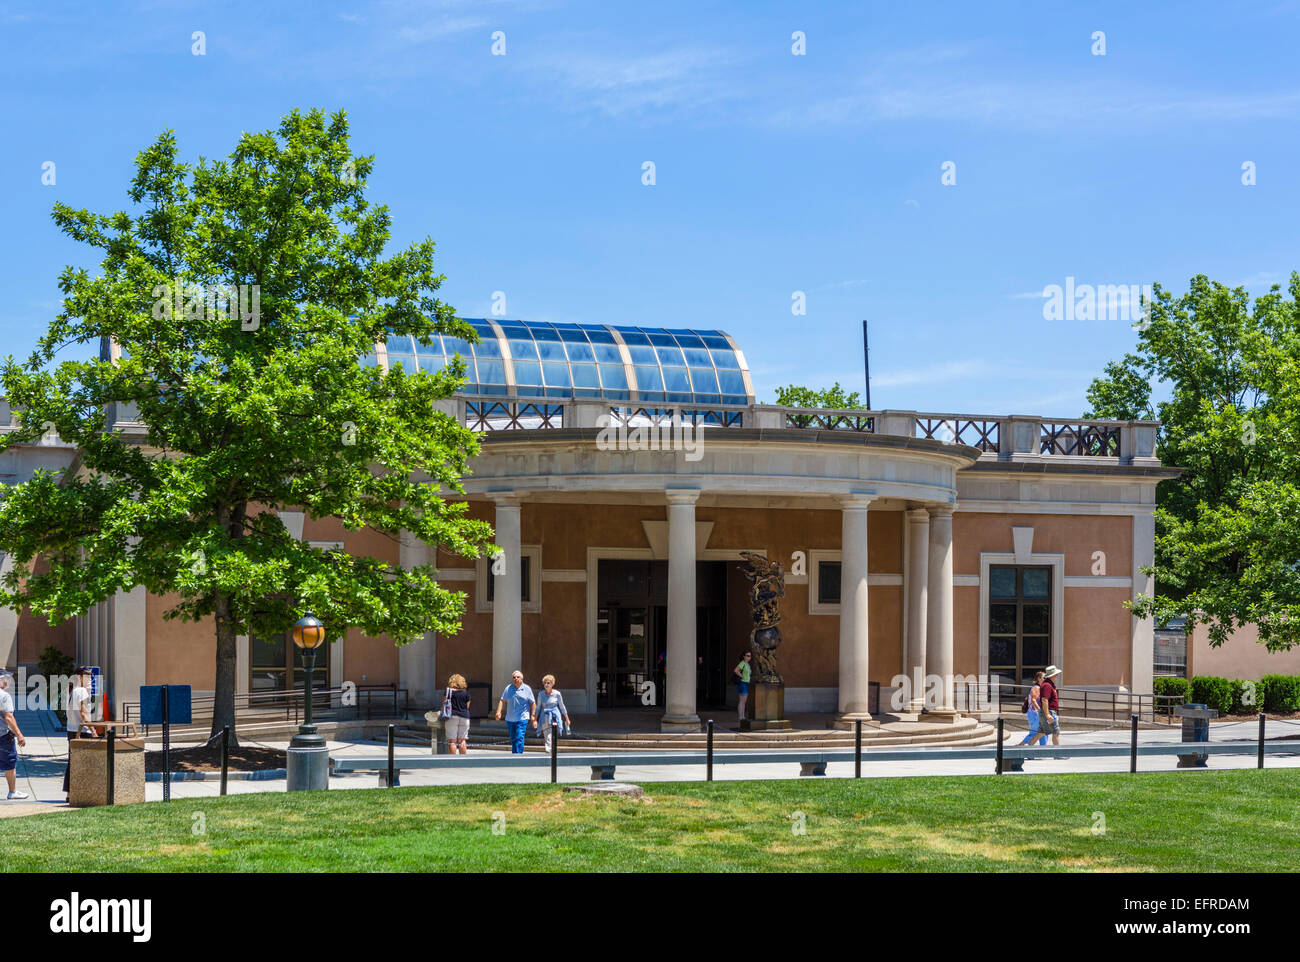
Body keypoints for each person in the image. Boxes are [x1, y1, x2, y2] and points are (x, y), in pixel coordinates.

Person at [63, 667, 95, 796]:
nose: (90, 680)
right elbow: (84, 713)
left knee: (73, 762)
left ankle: (70, 793)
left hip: (71, 731)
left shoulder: (71, 691)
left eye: (90, 677)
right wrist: (94, 731)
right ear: (78, 678)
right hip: (82, 731)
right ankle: (82, 792)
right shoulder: (81, 691)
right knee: (84, 762)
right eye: (86, 677)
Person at [0, 671, 28, 800]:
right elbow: (9, 717)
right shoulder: (4, 696)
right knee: (10, 762)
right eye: (6, 679)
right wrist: (19, 734)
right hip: (3, 736)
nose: (8, 682)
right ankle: (12, 791)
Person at [494, 670, 536, 754]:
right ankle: (515, 756)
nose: (516, 679)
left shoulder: (527, 689)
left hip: (522, 718)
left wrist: (533, 715)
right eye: (514, 677)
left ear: (522, 678)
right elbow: (502, 700)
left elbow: (532, 703)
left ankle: (518, 757)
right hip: (510, 719)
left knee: (519, 737)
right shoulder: (508, 688)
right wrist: (498, 712)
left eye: (518, 677)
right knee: (514, 739)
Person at [536, 675, 571, 754]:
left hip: (555, 715)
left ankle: (549, 749)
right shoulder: (540, 694)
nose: (546, 684)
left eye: (548, 683)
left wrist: (567, 719)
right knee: (546, 733)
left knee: (552, 733)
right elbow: (538, 707)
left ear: (552, 684)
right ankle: (550, 750)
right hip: (544, 715)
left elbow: (562, 706)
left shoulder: (557, 694)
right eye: (545, 683)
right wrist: (535, 719)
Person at [443, 674, 471, 755]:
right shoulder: (466, 693)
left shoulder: (448, 692)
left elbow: (444, 705)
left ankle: (453, 761)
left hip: (452, 717)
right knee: (462, 740)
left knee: (452, 741)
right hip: (465, 717)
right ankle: (463, 761)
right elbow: (467, 707)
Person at [1016, 672, 1045, 746]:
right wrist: (1040, 711)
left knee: (1043, 732)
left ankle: (1043, 750)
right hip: (1034, 713)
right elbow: (1033, 700)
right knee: (1034, 732)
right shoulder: (1036, 688)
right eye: (1044, 678)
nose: (1046, 679)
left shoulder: (1041, 688)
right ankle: (1020, 746)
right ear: (1039, 678)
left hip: (1037, 713)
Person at [1038, 665, 1062, 747]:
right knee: (1055, 732)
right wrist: (1048, 714)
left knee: (1041, 733)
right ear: (1052, 675)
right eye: (1056, 674)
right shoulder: (1047, 685)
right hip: (1049, 712)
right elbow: (1044, 700)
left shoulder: (1048, 684)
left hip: (1048, 711)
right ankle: (1057, 754)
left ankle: (1028, 752)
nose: (1057, 675)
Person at [733, 651, 752, 720]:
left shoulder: (747, 664)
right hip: (743, 683)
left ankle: (742, 716)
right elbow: (736, 670)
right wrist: (742, 676)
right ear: (744, 656)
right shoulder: (742, 663)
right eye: (747, 655)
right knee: (742, 701)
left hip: (746, 683)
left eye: (750, 656)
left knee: (743, 701)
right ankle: (741, 717)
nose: (749, 657)